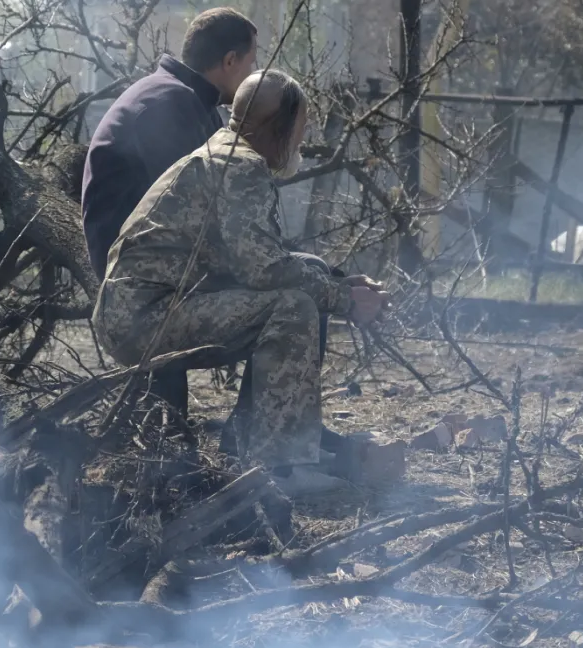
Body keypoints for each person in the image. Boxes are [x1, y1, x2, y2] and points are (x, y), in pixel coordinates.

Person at [92, 71, 388, 494]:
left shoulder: (225, 152)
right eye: (300, 128)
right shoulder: (242, 167)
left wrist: (336, 280)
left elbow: (259, 259)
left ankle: (255, 444)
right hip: (144, 318)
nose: (301, 141)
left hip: (145, 308)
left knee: (310, 275)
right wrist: (344, 300)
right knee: (292, 308)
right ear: (277, 126)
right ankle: (282, 468)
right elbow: (265, 271)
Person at [81, 7, 258, 413]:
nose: (253, 73)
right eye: (251, 62)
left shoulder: (185, 100)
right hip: (140, 291)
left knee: (299, 281)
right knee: (296, 304)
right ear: (230, 61)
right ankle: (262, 437)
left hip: (160, 274)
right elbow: (203, 216)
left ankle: (259, 432)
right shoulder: (169, 105)